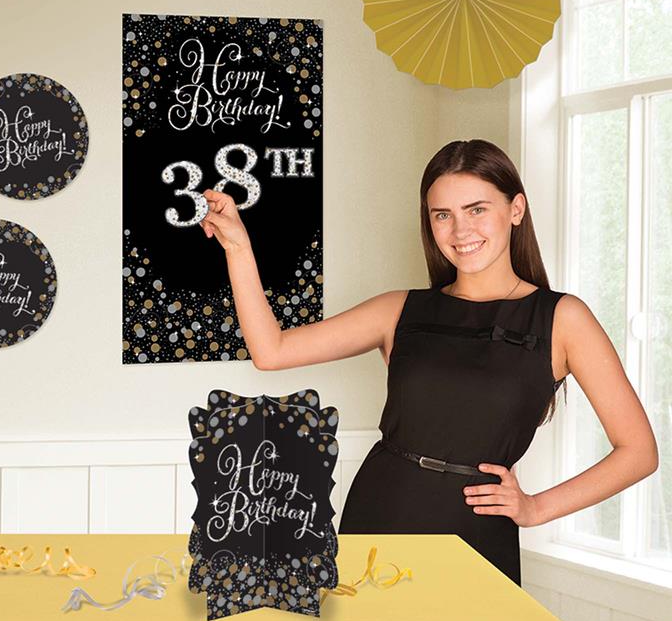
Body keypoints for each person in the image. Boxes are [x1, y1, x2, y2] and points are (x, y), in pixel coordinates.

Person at [198, 138, 659, 586]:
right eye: (443, 215)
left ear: (515, 210)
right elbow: (271, 351)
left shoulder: (563, 318)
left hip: (477, 533)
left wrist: (536, 508)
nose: (460, 231)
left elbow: (639, 452)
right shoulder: (400, 310)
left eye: (477, 209)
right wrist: (238, 247)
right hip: (380, 512)